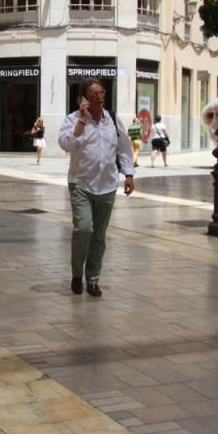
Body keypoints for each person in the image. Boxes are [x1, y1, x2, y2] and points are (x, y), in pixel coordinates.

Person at [57, 78, 135, 298]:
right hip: (81, 182)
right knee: (83, 229)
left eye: (101, 93)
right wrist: (82, 121)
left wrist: (128, 174)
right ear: (84, 98)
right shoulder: (73, 119)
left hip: (107, 184)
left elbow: (124, 148)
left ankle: (93, 279)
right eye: (94, 94)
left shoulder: (112, 119)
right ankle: (76, 273)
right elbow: (66, 145)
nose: (100, 97)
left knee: (99, 235)